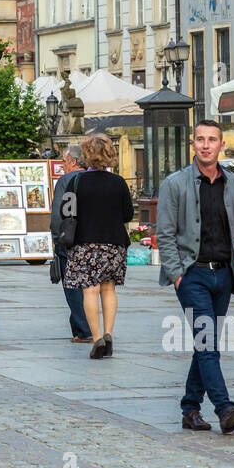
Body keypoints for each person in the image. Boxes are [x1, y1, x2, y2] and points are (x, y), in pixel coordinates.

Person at [157, 120, 234, 434]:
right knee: (208, 343)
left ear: (221, 145)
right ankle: (224, 408)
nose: (206, 145)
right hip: (192, 275)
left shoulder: (233, 184)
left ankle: (190, 408)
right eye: (200, 139)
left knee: (205, 345)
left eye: (212, 139)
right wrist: (176, 276)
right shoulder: (175, 183)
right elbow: (166, 234)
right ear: (193, 143)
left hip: (223, 277)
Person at [63, 135, 133, 360]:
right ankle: (109, 333)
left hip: (85, 243)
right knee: (108, 289)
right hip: (114, 244)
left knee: (89, 290)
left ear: (86, 155)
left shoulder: (75, 182)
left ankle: (96, 338)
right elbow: (128, 214)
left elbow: (67, 212)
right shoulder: (119, 182)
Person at [50, 145, 93, 343]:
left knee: (72, 284)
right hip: (92, 238)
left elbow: (60, 210)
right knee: (89, 285)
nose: (64, 166)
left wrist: (56, 236)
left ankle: (83, 329)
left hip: (70, 238)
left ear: (73, 162)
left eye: (65, 162)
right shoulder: (94, 178)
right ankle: (82, 326)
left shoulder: (66, 180)